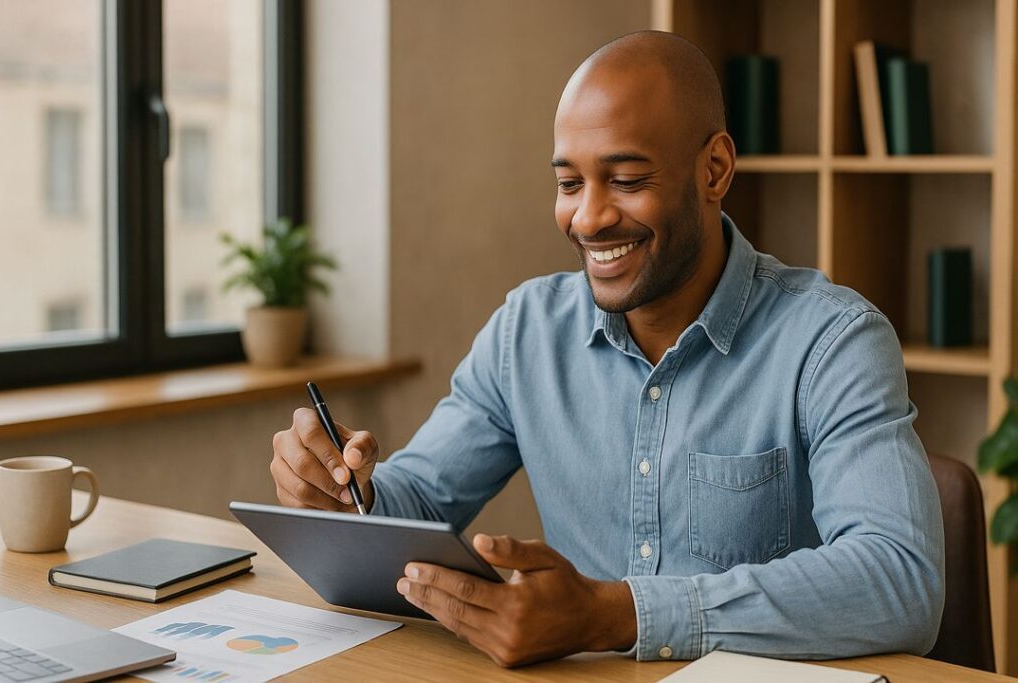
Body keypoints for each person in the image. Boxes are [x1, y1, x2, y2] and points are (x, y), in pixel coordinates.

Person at [270, 31, 944, 668]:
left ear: (714, 169)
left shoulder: (832, 340)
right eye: (569, 184)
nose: (588, 217)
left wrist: (614, 614)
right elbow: (418, 500)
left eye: (626, 179)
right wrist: (342, 497)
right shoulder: (525, 331)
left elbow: (900, 578)